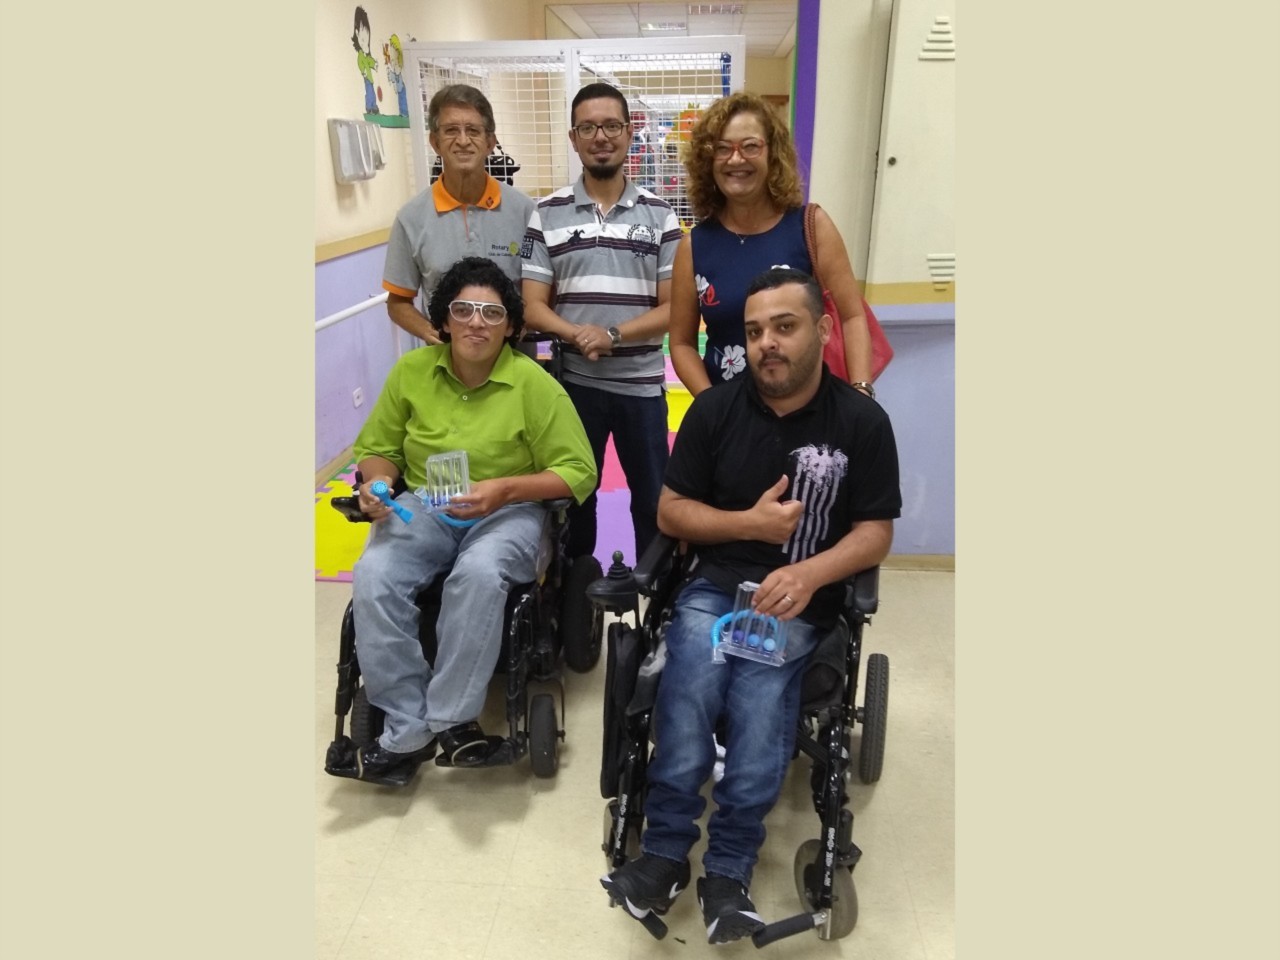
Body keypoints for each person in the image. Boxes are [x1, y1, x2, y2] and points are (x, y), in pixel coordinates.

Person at [600, 268, 901, 943]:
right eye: (756, 330)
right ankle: (666, 854)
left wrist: (810, 572)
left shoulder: (861, 421)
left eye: (784, 327)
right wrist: (750, 526)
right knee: (690, 683)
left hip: (801, 600)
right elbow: (671, 512)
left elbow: (875, 531)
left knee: (760, 701)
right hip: (717, 585)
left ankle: (729, 871)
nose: (768, 343)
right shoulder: (714, 411)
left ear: (822, 329)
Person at [336, 257, 596, 785]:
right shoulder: (411, 373)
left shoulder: (534, 386)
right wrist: (377, 485)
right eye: (463, 310)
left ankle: (453, 720)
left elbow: (579, 470)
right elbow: (379, 449)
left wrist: (505, 489)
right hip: (427, 504)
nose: (477, 322)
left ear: (511, 326)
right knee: (374, 573)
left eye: (491, 313)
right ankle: (408, 725)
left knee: (477, 574)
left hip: (509, 511)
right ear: (444, 319)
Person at [521, 82, 682, 562]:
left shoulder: (661, 215)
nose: (601, 137)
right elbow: (532, 306)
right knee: (574, 501)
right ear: (574, 138)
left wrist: (612, 336)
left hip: (642, 389)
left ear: (629, 133)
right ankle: (576, 596)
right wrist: (576, 334)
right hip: (573, 388)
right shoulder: (545, 214)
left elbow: (674, 308)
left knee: (652, 502)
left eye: (612, 125)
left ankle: (654, 596)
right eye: (588, 128)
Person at [668, 92, 875, 397]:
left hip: (810, 410)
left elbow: (852, 316)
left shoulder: (811, 226)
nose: (736, 159)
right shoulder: (694, 247)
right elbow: (682, 343)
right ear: (707, 161)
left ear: (772, 153)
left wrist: (861, 391)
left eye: (750, 146)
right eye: (722, 148)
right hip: (729, 414)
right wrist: (712, 406)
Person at [382, 84, 535, 356]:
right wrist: (430, 332)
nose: (463, 141)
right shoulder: (411, 218)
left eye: (473, 130)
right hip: (446, 361)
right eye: (451, 130)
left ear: (490, 142)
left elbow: (541, 292)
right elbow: (398, 302)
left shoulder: (524, 212)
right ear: (435, 142)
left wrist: (518, 331)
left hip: (514, 357)